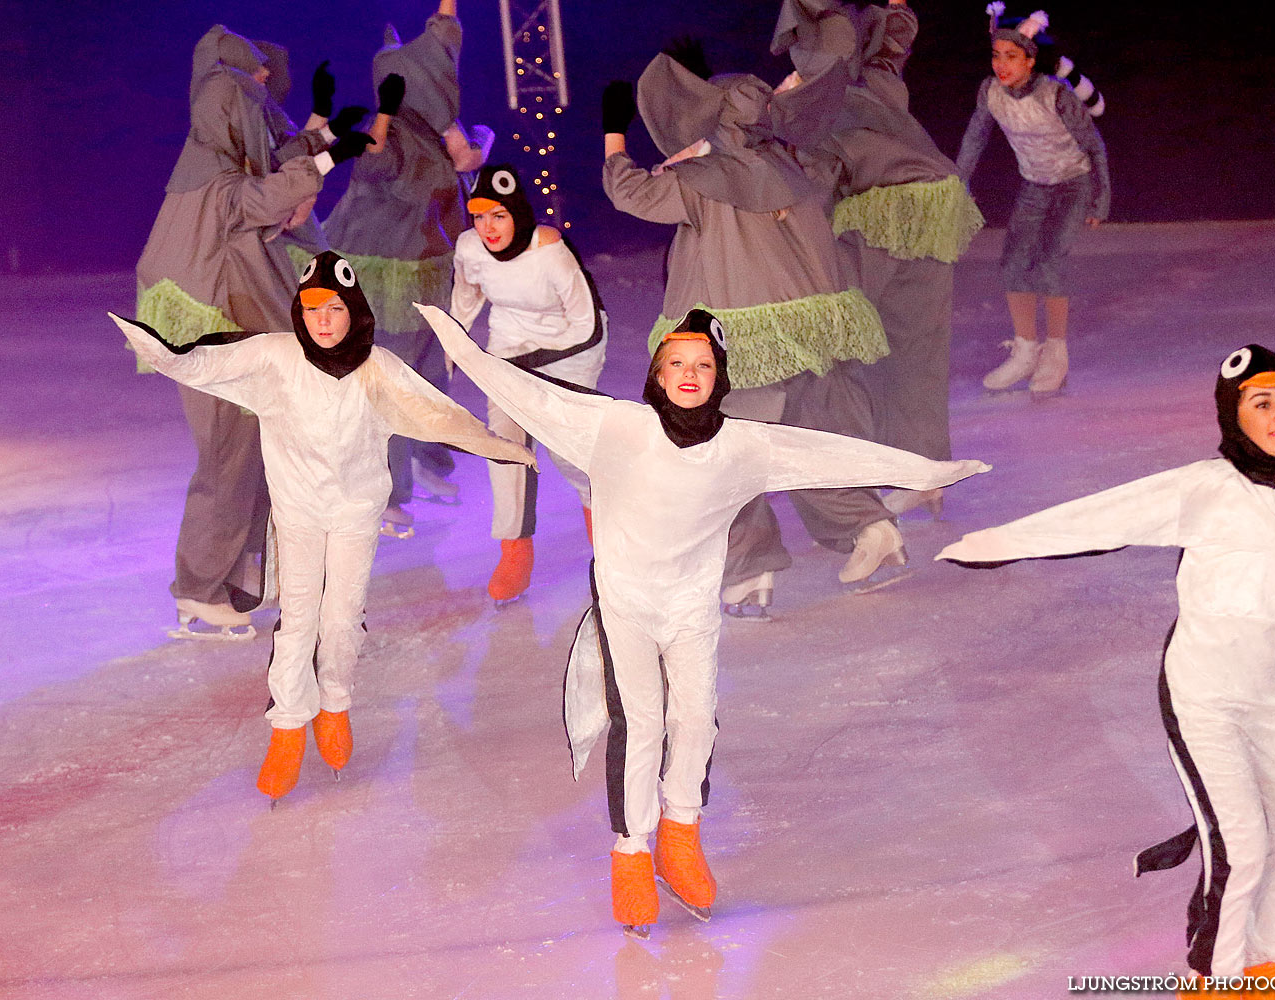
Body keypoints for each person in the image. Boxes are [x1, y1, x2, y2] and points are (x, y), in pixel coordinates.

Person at [420, 302, 988, 938]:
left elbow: (833, 456)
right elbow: (521, 390)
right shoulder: (614, 427)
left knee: (694, 717)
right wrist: (460, 345)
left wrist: (930, 473)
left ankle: (680, 834)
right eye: (676, 362)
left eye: (703, 364)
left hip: (691, 605)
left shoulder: (745, 445)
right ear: (658, 374)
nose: (689, 373)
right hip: (625, 600)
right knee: (639, 723)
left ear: (720, 377)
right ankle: (632, 850)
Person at [937, 346, 1275, 997]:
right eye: (1259, 402)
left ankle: (1264, 970)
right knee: (1241, 849)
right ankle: (1211, 984)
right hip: (1201, 698)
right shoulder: (1203, 488)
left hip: (1271, 698)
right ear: (1231, 415)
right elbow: (1102, 515)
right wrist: (996, 544)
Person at [112, 253, 535, 801]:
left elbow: (437, 414)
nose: (323, 321)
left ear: (353, 311)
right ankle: (288, 724)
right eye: (312, 310)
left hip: (357, 513)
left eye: (334, 308)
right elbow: (206, 364)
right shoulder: (275, 358)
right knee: (298, 620)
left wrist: (500, 448)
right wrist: (160, 352)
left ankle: (334, 702)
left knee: (340, 620)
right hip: (298, 512)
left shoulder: (378, 367)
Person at [601, 41, 908, 618]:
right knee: (805, 445)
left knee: (720, 454)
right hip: (807, 338)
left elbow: (630, 192)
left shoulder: (703, 179)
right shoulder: (799, 166)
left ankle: (750, 572)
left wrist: (614, 134)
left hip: (735, 344)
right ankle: (872, 530)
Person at [136, 24, 373, 639]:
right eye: (252, 95)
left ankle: (237, 575)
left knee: (253, 456)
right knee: (228, 459)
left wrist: (319, 133)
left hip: (235, 336)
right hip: (215, 345)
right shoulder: (210, 181)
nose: (262, 102)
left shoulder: (218, 166)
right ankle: (197, 589)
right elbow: (265, 195)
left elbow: (270, 170)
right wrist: (325, 152)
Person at [770, 0, 986, 517]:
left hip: (878, 216)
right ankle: (923, 471)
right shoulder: (880, 77)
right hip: (933, 206)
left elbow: (816, 178)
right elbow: (896, 35)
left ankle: (856, 483)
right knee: (917, 341)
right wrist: (896, 10)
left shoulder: (813, 105)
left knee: (849, 344)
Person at [323, 0, 495, 532]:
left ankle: (430, 458)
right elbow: (372, 158)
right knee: (390, 382)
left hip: (426, 272)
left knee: (426, 375)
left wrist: (468, 143)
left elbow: (443, 39)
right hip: (383, 276)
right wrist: (387, 113)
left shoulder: (439, 131)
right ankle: (387, 492)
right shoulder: (392, 132)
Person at [449, 162, 606, 604]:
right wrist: (455, 345)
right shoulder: (470, 248)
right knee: (504, 446)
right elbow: (466, 295)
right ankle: (515, 552)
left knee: (570, 452)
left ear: (517, 213)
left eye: (498, 216)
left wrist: (531, 365)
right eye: (479, 217)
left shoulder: (549, 251)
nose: (488, 228)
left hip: (571, 350)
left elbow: (586, 323)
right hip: (511, 344)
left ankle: (610, 547)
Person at [955, 7, 1110, 395]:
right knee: (1013, 264)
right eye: (996, 56)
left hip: (1073, 184)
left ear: (1030, 59)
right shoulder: (990, 92)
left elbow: (1094, 145)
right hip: (1034, 185)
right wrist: (959, 183)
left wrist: (1101, 198)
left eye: (1011, 57)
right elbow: (975, 137)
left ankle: (1055, 352)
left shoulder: (1055, 94)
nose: (1001, 65)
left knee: (1050, 262)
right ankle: (1026, 350)